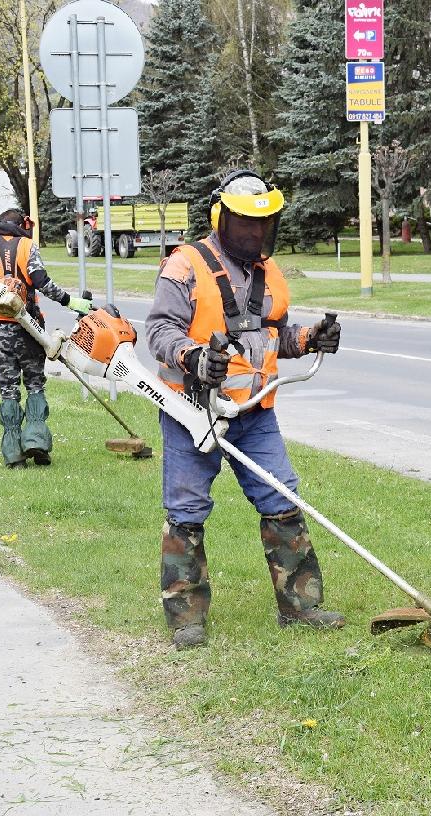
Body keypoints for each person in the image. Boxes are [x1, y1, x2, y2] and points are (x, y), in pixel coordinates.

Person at [145, 170, 345, 650]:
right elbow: (158, 332)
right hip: (192, 410)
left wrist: (309, 338)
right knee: (186, 512)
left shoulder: (268, 272)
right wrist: (193, 357)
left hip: (254, 413)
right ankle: (187, 618)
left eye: (264, 226)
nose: (255, 235)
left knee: (281, 500)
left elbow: (269, 336)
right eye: (246, 225)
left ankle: (301, 607)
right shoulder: (184, 266)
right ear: (222, 218)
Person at [0, 208, 91, 469]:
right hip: (30, 329)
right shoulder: (27, 247)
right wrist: (70, 301)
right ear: (23, 224)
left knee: (8, 391)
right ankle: (36, 438)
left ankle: (13, 453)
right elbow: (41, 281)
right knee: (35, 383)